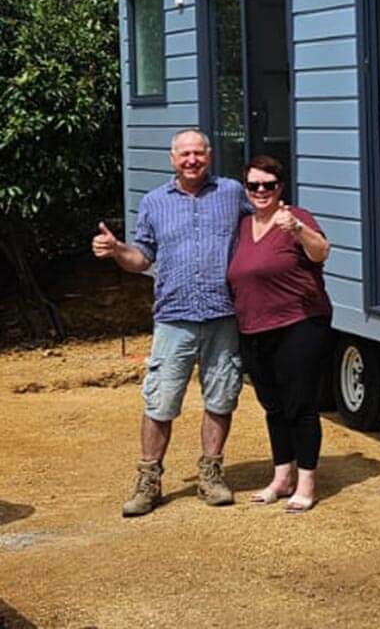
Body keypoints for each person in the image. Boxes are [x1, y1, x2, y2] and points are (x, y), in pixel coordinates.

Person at [92, 128, 245, 516]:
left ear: (209, 156)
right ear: (172, 159)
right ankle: (149, 479)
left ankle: (211, 474)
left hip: (223, 314)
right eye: (184, 154)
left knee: (222, 397)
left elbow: (262, 223)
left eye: (198, 153)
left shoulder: (231, 193)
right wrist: (116, 250)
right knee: (160, 401)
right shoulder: (154, 202)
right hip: (174, 317)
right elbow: (141, 259)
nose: (192, 160)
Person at [227, 155, 333, 513]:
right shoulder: (242, 226)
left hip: (299, 325)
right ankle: (281, 477)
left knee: (300, 405)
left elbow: (321, 252)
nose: (260, 191)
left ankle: (306, 483)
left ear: (280, 187)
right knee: (272, 406)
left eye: (268, 185)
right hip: (254, 328)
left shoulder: (295, 218)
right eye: (253, 185)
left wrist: (298, 231)